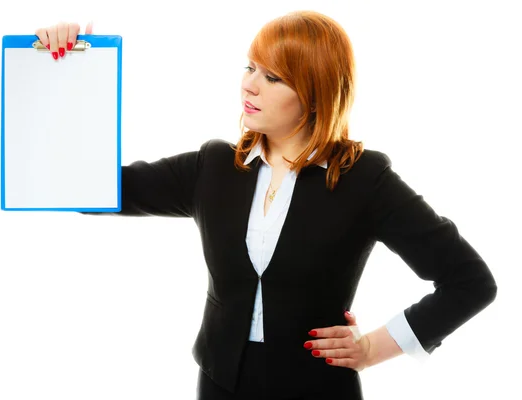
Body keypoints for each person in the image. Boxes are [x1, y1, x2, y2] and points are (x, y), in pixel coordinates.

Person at [35, 11, 497, 400]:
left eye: (272, 77)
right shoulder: (214, 166)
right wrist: (75, 72)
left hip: (317, 390)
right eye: (250, 67)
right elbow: (83, 188)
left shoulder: (365, 180)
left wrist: (374, 348)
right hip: (218, 385)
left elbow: (469, 282)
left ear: (316, 94)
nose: (249, 86)